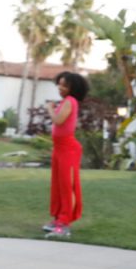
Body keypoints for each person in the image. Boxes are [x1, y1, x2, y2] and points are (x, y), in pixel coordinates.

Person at [42, 71, 88, 238]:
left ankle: (65, 223)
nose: (60, 88)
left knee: (67, 186)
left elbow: (58, 120)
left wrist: (50, 109)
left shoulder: (70, 101)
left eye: (65, 85)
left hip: (68, 149)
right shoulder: (65, 101)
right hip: (59, 148)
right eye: (59, 84)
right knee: (58, 185)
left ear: (72, 88)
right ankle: (58, 218)